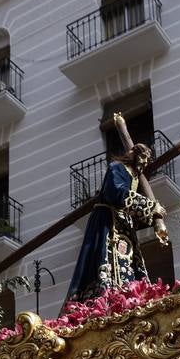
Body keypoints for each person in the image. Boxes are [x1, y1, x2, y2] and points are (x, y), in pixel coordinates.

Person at [64, 114, 168, 304]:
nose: (145, 163)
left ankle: (129, 296)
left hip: (123, 226)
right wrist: (150, 206)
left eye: (147, 160)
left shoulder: (135, 177)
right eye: (143, 158)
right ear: (135, 156)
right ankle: (102, 300)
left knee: (128, 263)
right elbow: (116, 193)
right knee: (105, 262)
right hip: (106, 221)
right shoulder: (117, 168)